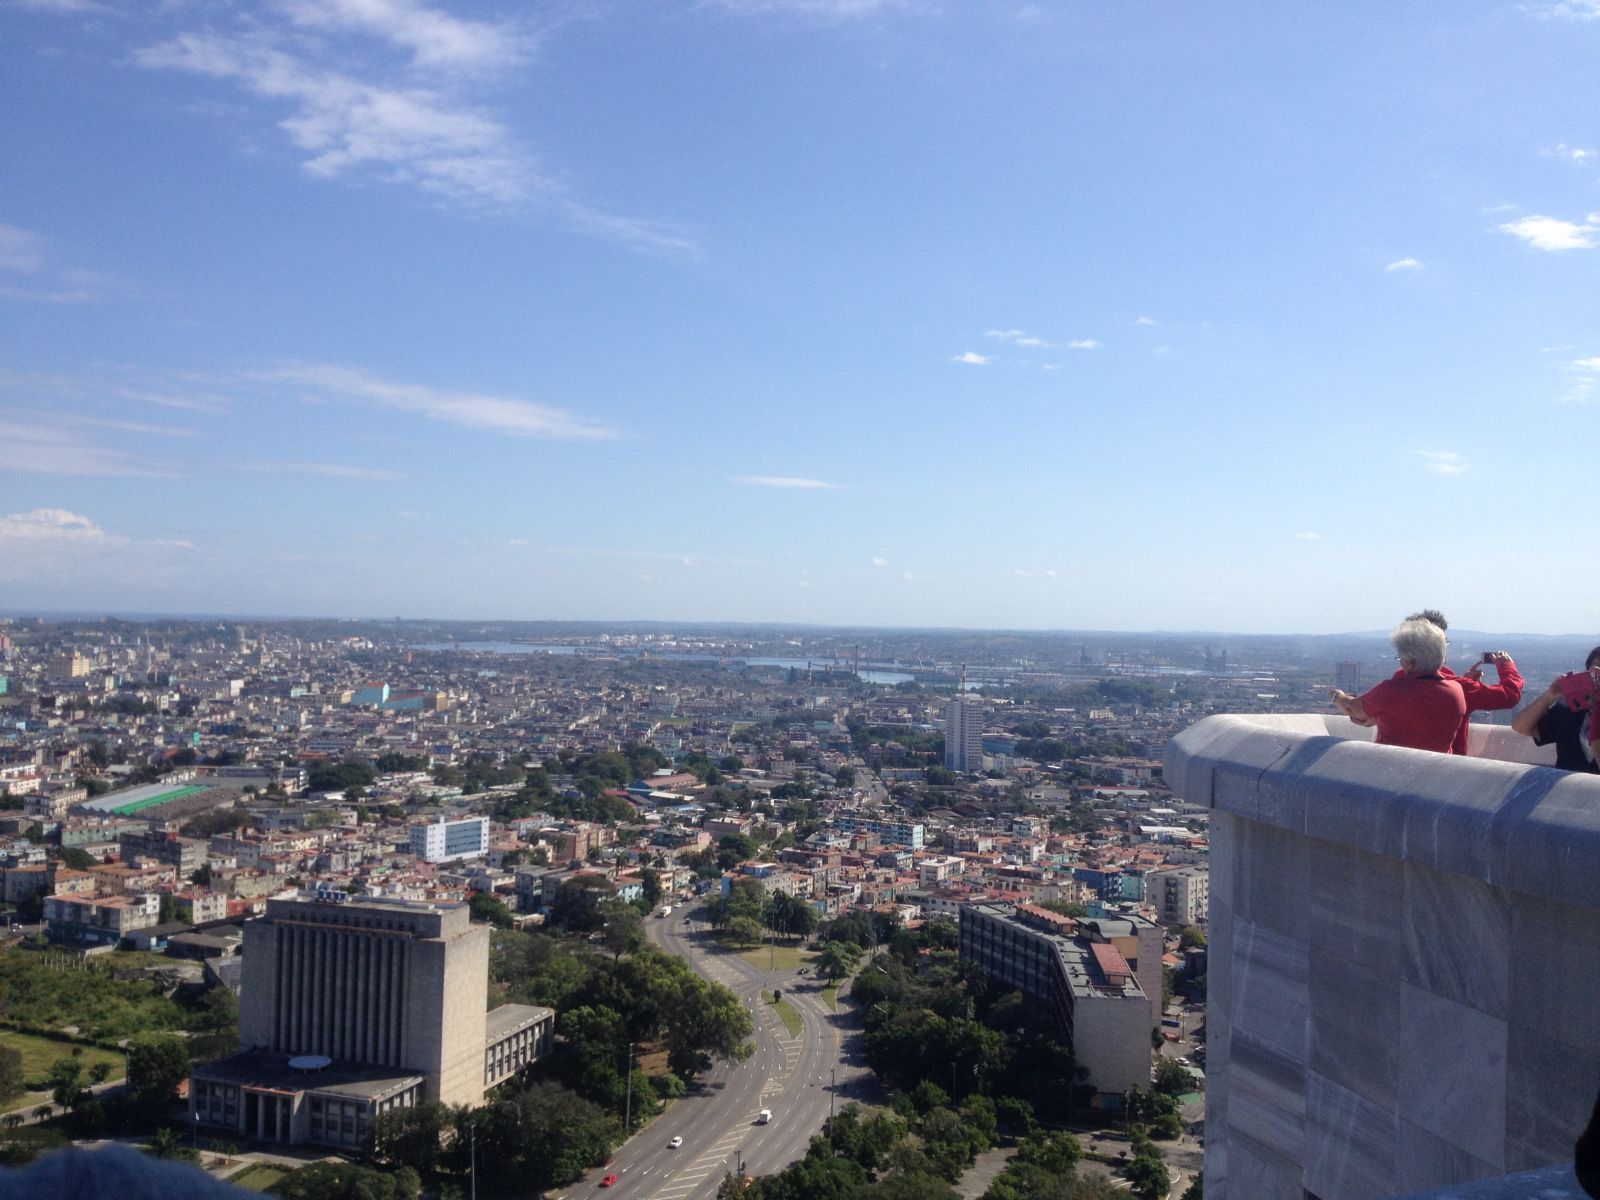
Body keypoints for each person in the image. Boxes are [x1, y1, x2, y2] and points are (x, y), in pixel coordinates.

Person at [1384, 610, 1524, 754]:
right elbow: (1509, 695)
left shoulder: (1395, 683)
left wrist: (1467, 683)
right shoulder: (1459, 687)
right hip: (1446, 768)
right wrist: (1507, 666)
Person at [1331, 617, 1465, 752]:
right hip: (1437, 769)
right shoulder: (1456, 691)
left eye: (1401, 657)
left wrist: (1338, 697)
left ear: (1408, 662)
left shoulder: (1391, 691)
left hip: (1393, 768)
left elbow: (1355, 711)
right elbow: (1420, 719)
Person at [1511, 645, 1600, 773]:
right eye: (1595, 670)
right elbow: (1521, 726)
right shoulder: (1569, 709)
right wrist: (1550, 695)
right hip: (1568, 789)